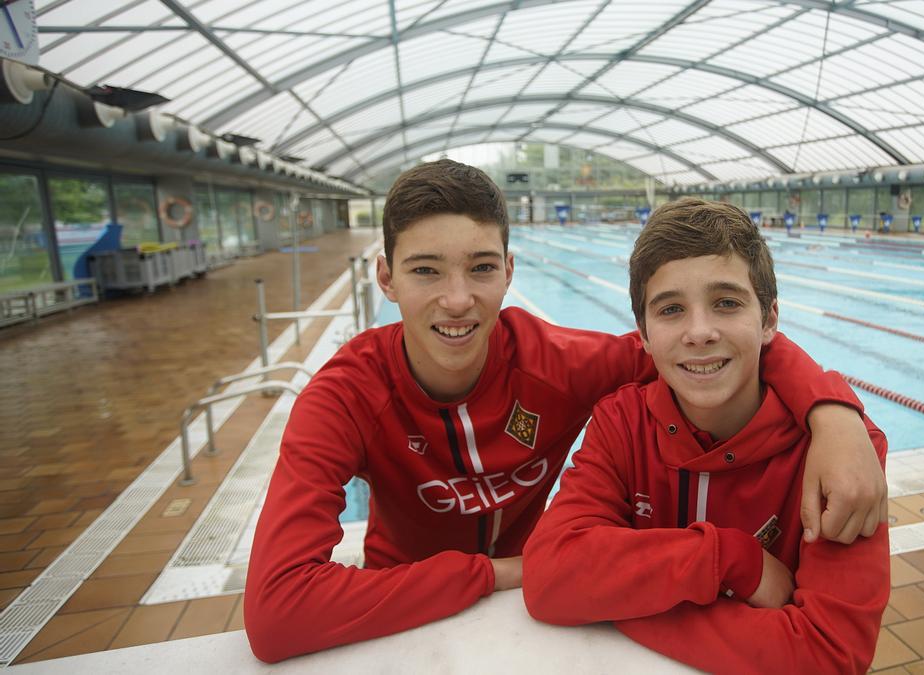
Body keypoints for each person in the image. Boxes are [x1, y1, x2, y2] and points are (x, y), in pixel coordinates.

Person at [243, 161, 887, 663]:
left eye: (481, 268)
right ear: (386, 279)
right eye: (426, 271)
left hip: (544, 612)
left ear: (508, 272)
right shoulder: (344, 397)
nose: (458, 299)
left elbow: (707, 350)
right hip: (406, 609)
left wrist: (833, 412)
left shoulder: (561, 364)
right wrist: (496, 574)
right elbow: (277, 612)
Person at [523, 198, 889, 673]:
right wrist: (729, 559)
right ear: (644, 334)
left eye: (727, 303)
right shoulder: (621, 423)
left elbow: (827, 654)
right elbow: (550, 577)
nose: (699, 331)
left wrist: (613, 603)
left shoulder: (836, 455)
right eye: (671, 309)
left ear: (770, 319)